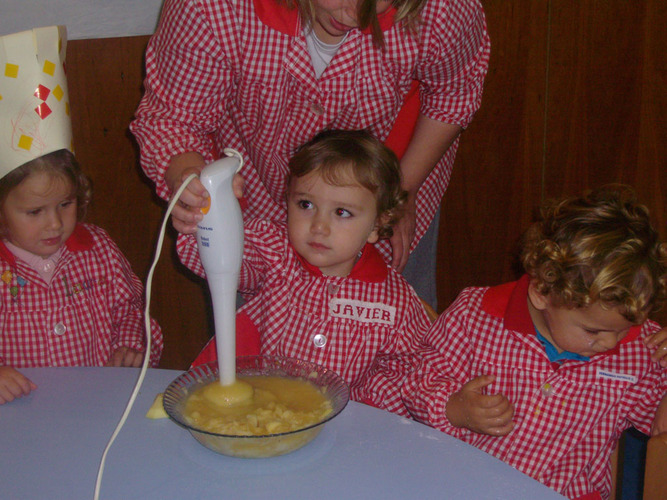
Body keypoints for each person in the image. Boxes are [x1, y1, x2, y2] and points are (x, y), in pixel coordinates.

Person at [130, 0, 491, 308]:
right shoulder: (214, 7)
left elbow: (453, 95)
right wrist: (189, 176)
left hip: (398, 176)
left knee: (394, 336)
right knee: (261, 352)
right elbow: (174, 117)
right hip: (259, 203)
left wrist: (398, 195)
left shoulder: (444, 7)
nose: (356, 16)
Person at [402, 185, 667, 500]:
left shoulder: (641, 350)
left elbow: (658, 427)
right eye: (593, 331)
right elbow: (417, 379)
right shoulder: (475, 315)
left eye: (625, 330)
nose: (612, 344)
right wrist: (454, 408)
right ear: (542, 292)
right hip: (464, 484)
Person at [186, 130, 432, 416]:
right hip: (252, 413)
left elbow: (409, 375)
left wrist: (360, 410)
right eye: (306, 205)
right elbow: (210, 258)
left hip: (339, 430)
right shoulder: (272, 252)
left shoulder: (396, 304)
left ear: (377, 224)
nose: (319, 226)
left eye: (341, 212)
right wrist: (212, 214)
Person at [0, 26, 163, 405]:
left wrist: (132, 347)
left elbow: (134, 311)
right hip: (20, 423)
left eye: (66, 204)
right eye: (34, 211)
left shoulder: (98, 249)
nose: (54, 223)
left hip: (99, 407)